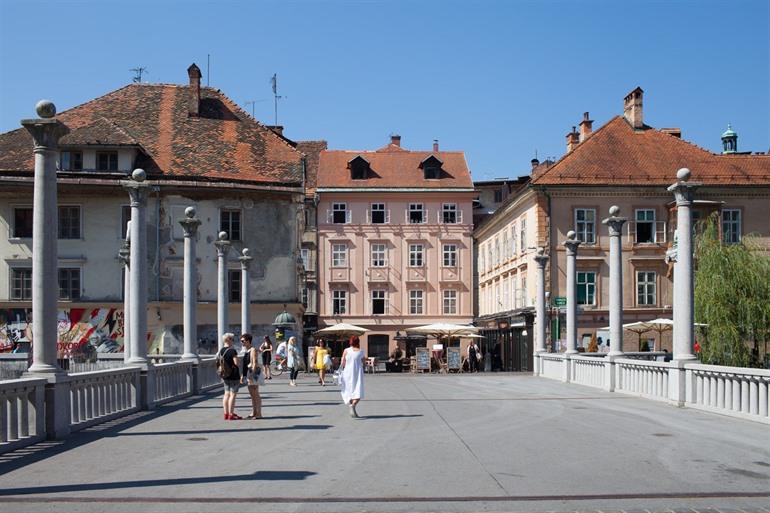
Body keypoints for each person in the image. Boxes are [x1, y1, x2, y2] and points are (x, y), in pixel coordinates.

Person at [340, 336, 366, 418]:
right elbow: (364, 362)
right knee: (358, 390)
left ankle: (352, 407)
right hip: (357, 373)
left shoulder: (346, 350)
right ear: (358, 342)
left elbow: (343, 362)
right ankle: (353, 405)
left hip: (347, 373)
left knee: (349, 390)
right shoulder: (361, 352)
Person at [219, 333, 241, 420]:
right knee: (232, 395)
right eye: (232, 339)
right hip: (233, 375)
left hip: (225, 375)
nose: (233, 341)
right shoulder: (232, 351)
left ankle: (226, 413)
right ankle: (231, 414)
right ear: (228, 340)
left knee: (226, 394)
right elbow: (236, 363)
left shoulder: (221, 351)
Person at [240, 334, 262, 419]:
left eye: (243, 341)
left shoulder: (252, 349)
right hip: (249, 373)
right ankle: (254, 412)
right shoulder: (248, 350)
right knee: (252, 394)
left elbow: (254, 363)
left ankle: (259, 413)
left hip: (253, 373)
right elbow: (245, 364)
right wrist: (243, 375)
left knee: (256, 394)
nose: (242, 343)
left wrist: (252, 375)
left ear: (248, 341)